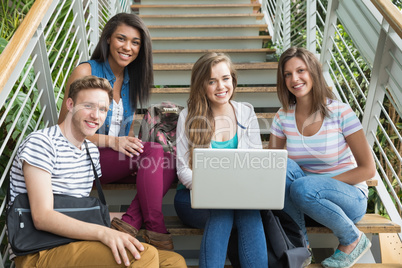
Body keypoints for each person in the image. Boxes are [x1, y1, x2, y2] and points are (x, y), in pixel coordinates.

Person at [8, 76, 186, 267]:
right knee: (146, 255)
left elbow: (76, 210)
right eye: (88, 106)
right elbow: (42, 217)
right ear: (70, 104)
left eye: (102, 110)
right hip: (38, 250)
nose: (96, 115)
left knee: (173, 261)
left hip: (77, 243)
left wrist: (130, 218)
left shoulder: (90, 151)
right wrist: (104, 232)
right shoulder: (42, 143)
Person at [58, 13, 177, 250]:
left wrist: (129, 150)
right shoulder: (86, 71)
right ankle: (155, 228)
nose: (128, 47)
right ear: (109, 39)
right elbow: (65, 130)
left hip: (107, 160)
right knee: (153, 152)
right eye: (121, 39)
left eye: (135, 42)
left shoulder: (132, 79)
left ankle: (131, 220)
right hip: (80, 159)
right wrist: (113, 141)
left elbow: (125, 133)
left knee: (168, 158)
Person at [268, 47, 376, 268]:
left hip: (349, 198)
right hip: (304, 202)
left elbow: (367, 169)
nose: (294, 79)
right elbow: (273, 166)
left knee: (302, 188)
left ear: (314, 72)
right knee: (282, 166)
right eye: (287, 74)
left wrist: (318, 185)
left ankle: (352, 239)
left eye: (301, 70)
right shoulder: (282, 116)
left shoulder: (341, 112)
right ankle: (301, 248)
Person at [175, 52, 268, 267]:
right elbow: (183, 171)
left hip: (238, 196)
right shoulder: (188, 116)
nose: (221, 86)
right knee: (223, 209)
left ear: (233, 80)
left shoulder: (246, 112)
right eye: (211, 81)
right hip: (192, 197)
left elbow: (253, 164)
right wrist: (217, 190)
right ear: (201, 85)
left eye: (225, 79)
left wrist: (234, 191)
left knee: (249, 210)